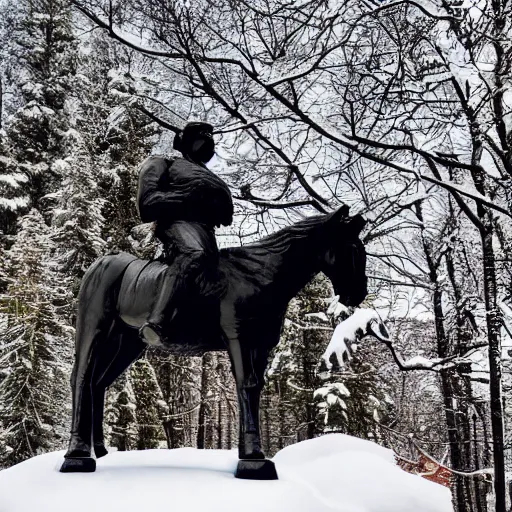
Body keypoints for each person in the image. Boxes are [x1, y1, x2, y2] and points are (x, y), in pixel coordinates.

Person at [136, 122, 233, 345]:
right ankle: (157, 320)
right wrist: (187, 198)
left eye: (210, 139)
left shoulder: (211, 176)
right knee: (194, 253)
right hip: (177, 223)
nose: (207, 143)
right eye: (201, 138)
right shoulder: (164, 163)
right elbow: (147, 204)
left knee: (226, 271)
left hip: (206, 232)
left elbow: (225, 217)